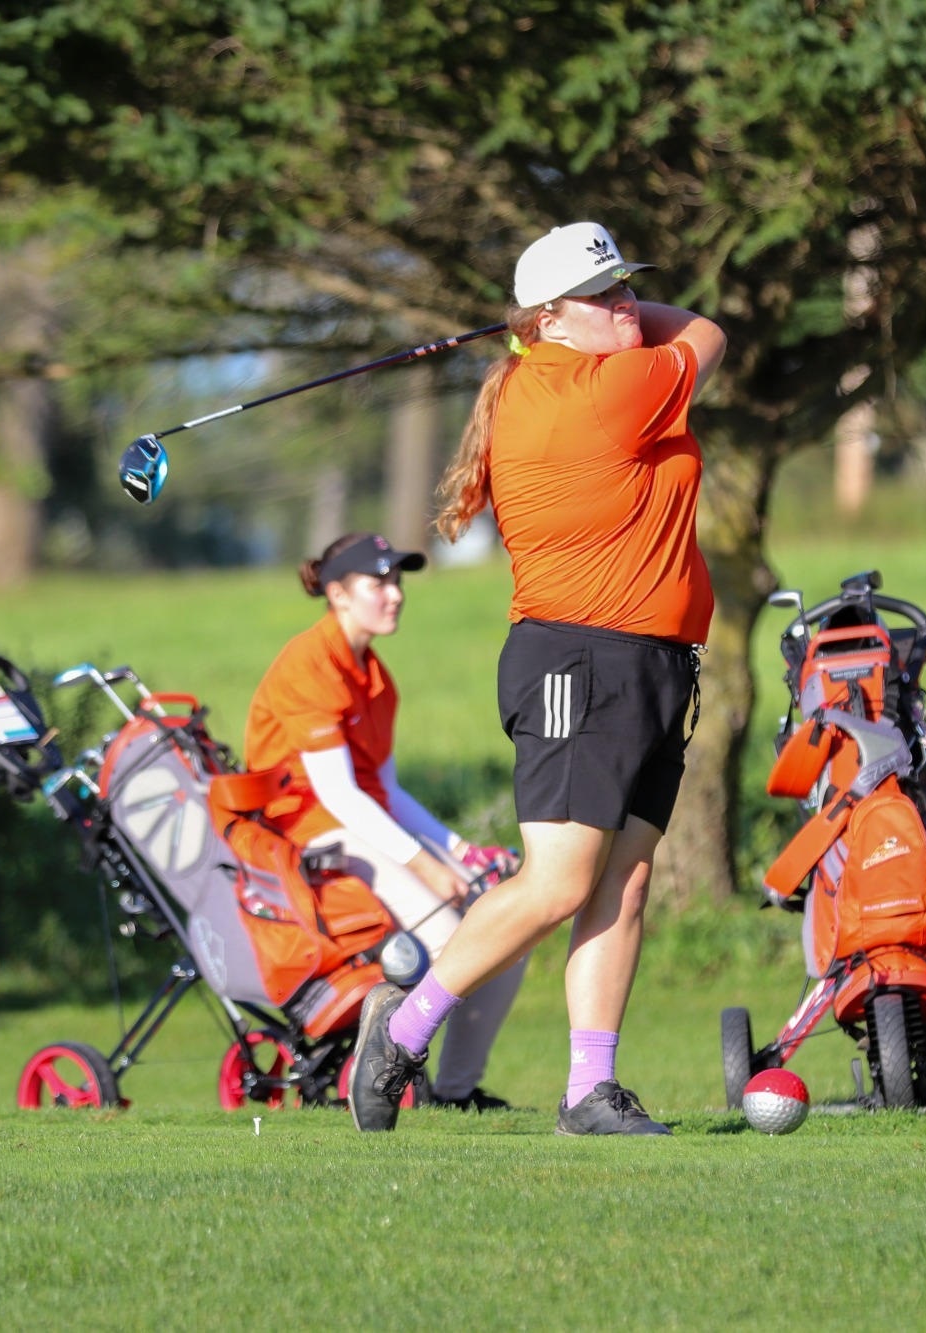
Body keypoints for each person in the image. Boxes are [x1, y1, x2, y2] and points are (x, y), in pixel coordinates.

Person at [348, 222, 727, 1134]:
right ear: (552, 317)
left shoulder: (559, 370)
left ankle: (587, 1089)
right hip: (580, 659)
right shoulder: (607, 391)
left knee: (622, 884)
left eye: (628, 285)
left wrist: (566, 320)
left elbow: (665, 328)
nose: (626, 305)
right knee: (559, 882)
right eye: (602, 296)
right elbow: (708, 332)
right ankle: (401, 1031)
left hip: (653, 661)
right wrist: (601, 325)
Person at [246, 530, 527, 1110]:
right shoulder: (308, 663)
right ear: (338, 593)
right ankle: (380, 1065)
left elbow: (387, 791)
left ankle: (453, 1091)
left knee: (508, 932)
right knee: (453, 937)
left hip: (360, 827)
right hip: (309, 838)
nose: (395, 594)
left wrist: (461, 851)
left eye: (397, 581)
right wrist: (427, 864)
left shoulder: (377, 680)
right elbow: (339, 797)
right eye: (379, 582)